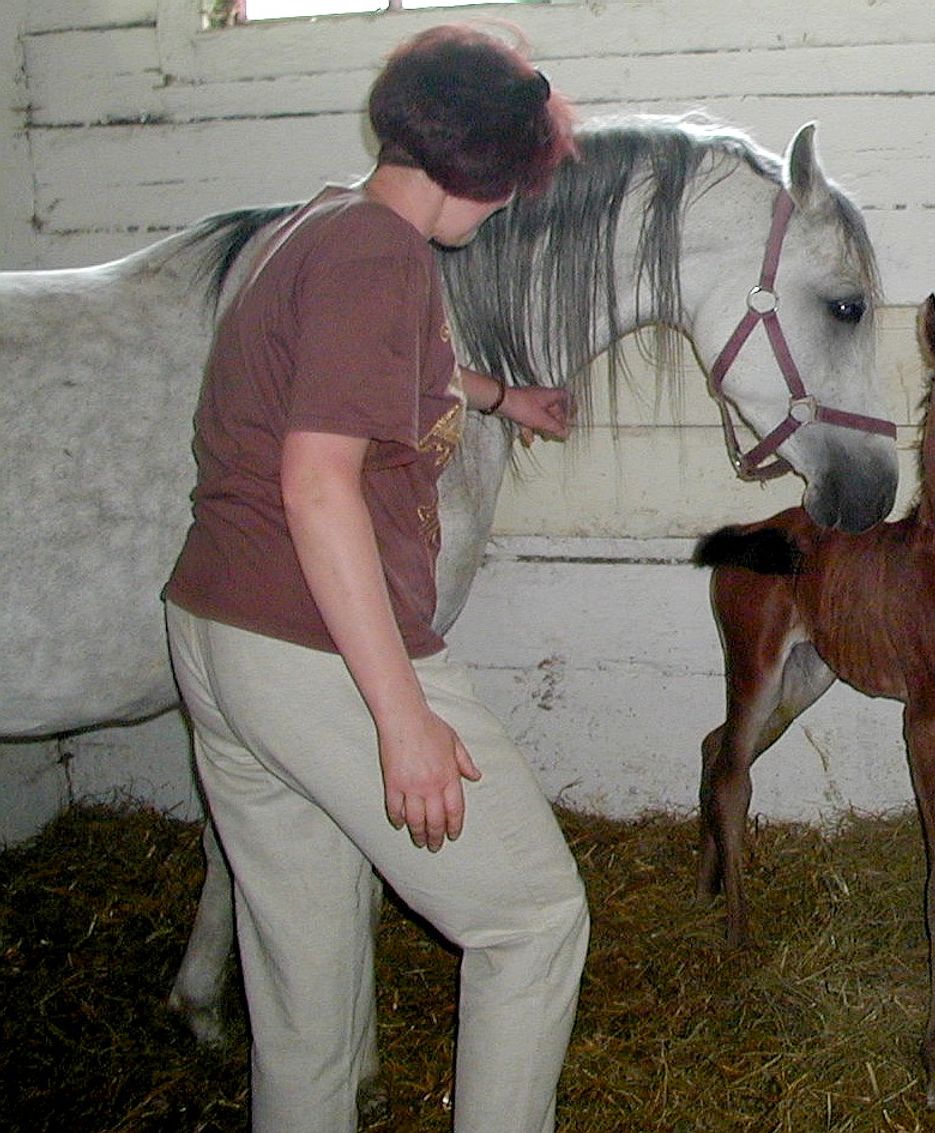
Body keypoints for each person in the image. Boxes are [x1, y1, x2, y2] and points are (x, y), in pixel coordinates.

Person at [164, 24, 589, 1133]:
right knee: (532, 920)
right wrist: (398, 714)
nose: (505, 211)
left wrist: (506, 401)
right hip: (312, 646)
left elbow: (389, 373)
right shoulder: (382, 254)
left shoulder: (321, 221)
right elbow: (318, 486)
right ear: (482, 172)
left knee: (305, 989)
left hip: (219, 627)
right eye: (510, 189)